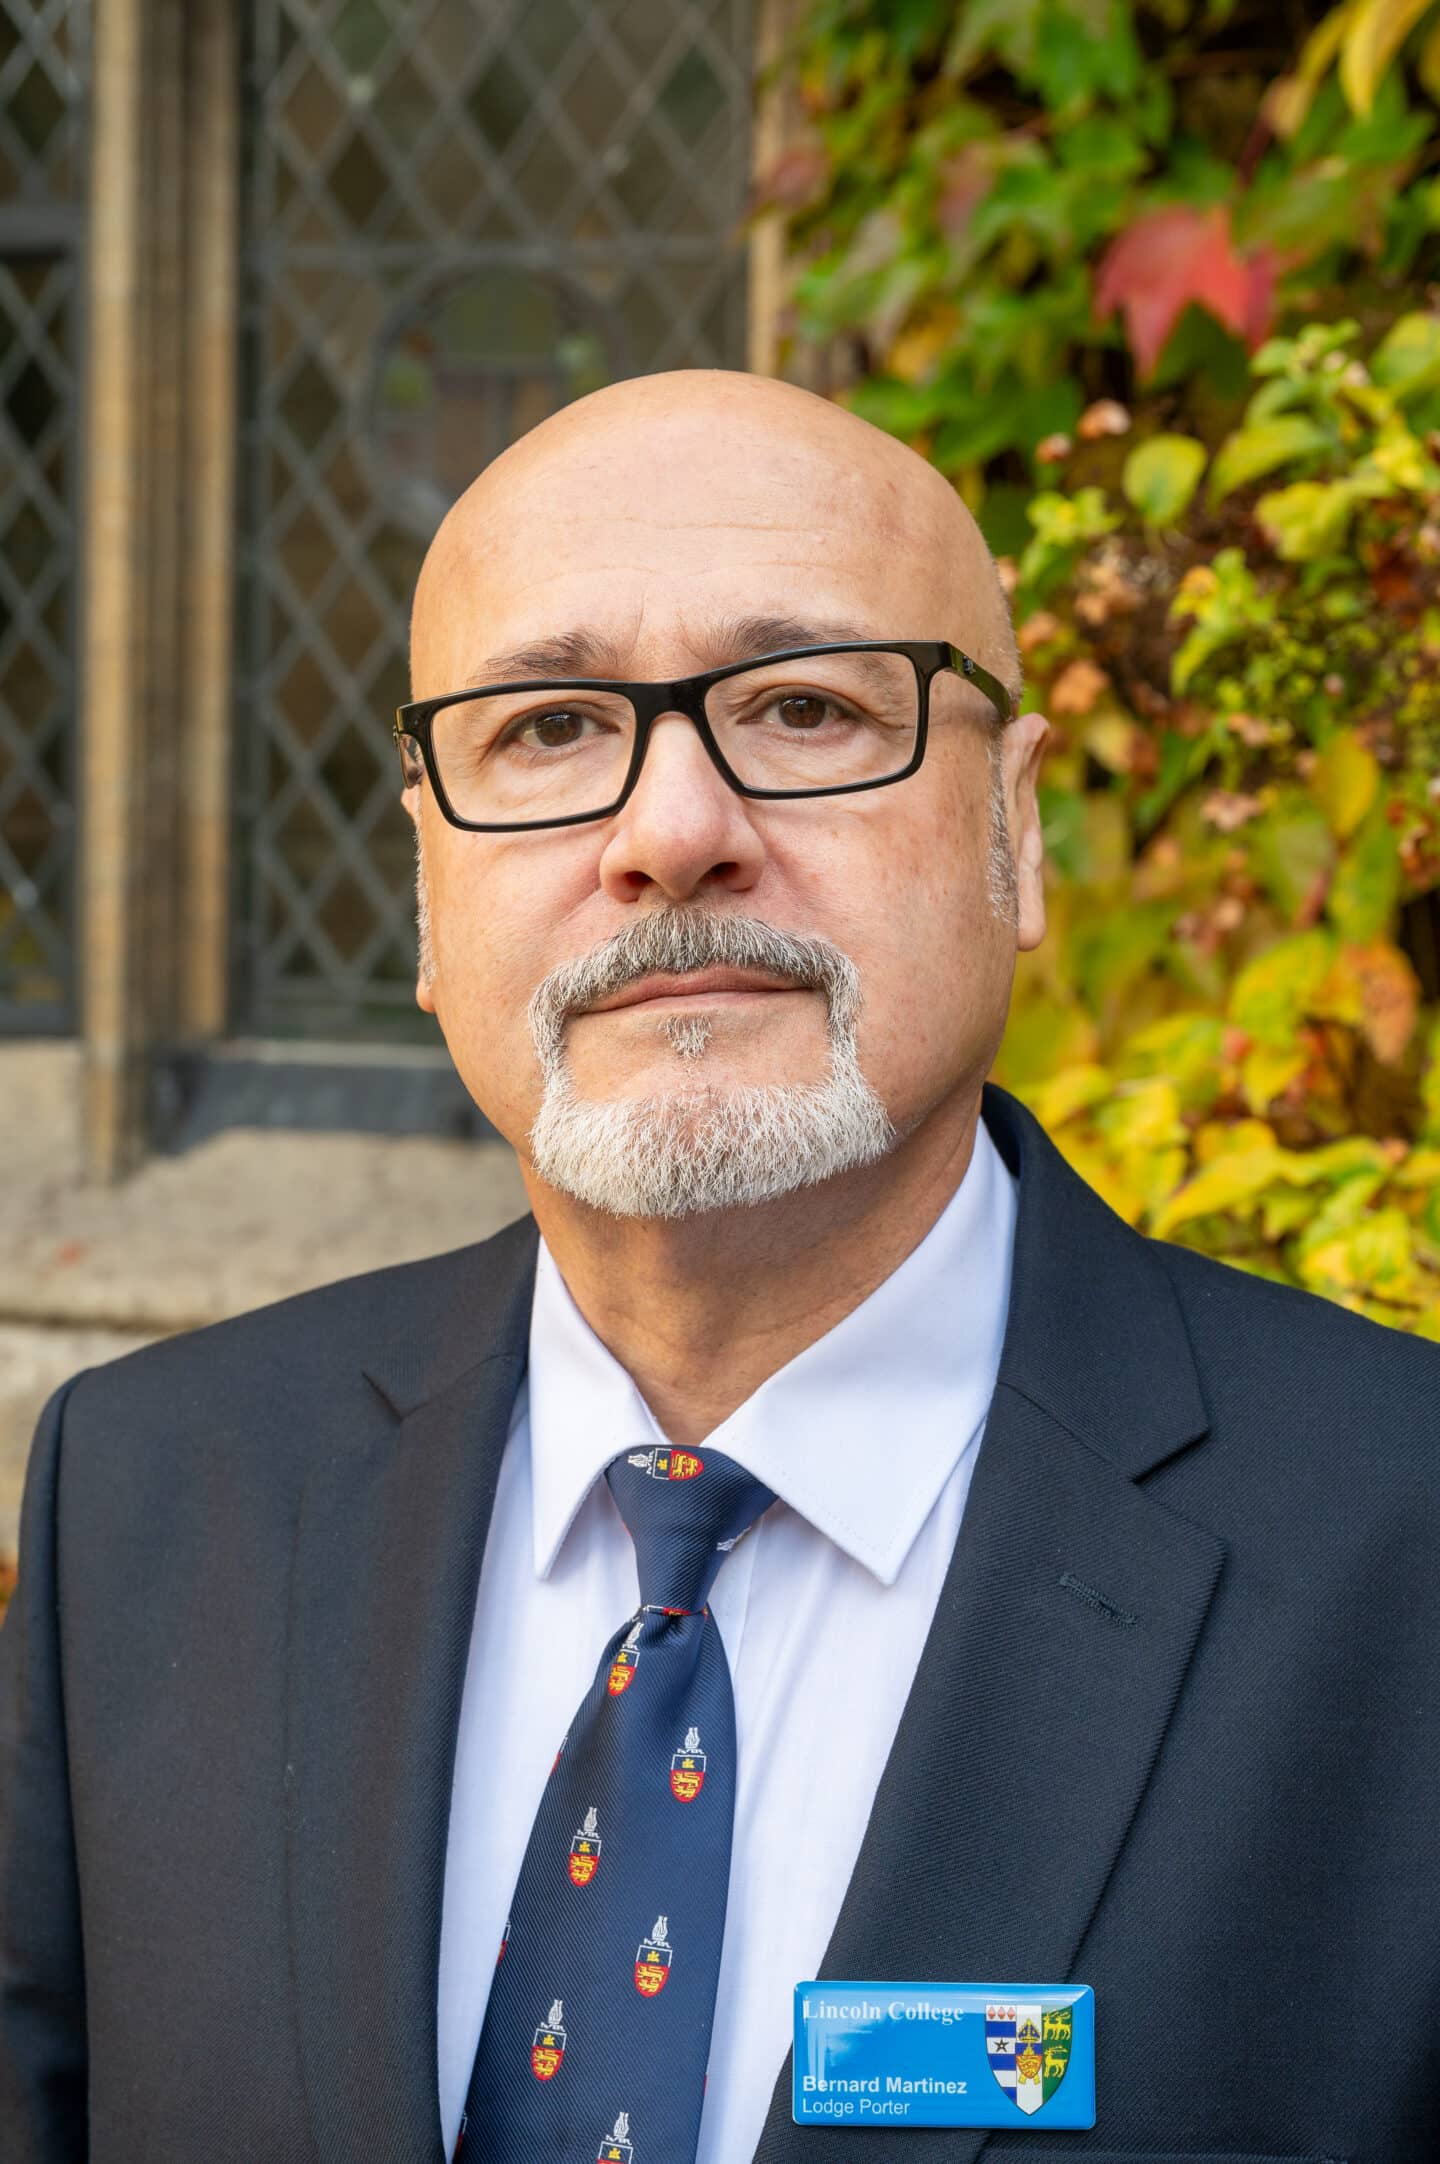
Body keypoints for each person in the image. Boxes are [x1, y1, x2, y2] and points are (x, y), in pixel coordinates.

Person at [1, 368, 1436, 2164]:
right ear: (430, 883)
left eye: (807, 706)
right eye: (545, 729)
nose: (673, 829)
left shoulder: (1404, 1546)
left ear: (1016, 834)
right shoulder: (149, 1502)